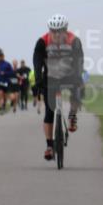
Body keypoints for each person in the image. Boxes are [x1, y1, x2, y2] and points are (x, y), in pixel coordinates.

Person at [34, 14, 85, 161]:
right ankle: (49, 146)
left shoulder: (74, 40)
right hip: (50, 76)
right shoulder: (42, 41)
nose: (56, 34)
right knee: (49, 113)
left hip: (68, 74)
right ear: (49, 29)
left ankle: (72, 116)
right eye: (53, 30)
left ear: (65, 29)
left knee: (78, 89)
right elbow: (37, 62)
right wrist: (38, 79)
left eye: (60, 30)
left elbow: (79, 61)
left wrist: (78, 76)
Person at [0, 50, 18, 114]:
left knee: (5, 96)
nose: (0, 57)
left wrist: (4, 73)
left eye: (1, 56)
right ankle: (0, 108)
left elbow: (11, 72)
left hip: (6, 82)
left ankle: (6, 104)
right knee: (0, 94)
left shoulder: (7, 64)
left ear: (3, 57)